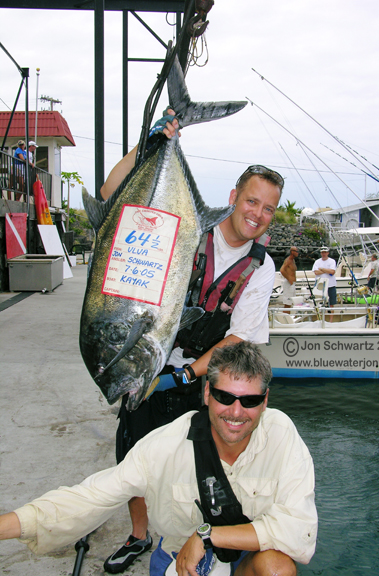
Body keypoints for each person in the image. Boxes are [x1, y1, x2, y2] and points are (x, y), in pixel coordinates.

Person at [100, 110, 284, 573]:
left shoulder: (262, 267)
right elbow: (109, 194)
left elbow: (239, 336)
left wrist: (186, 373)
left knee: (198, 463)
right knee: (134, 453)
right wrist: (150, 146)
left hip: (203, 374)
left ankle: (191, 538)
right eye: (251, 201)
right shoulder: (185, 225)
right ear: (233, 198)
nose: (257, 215)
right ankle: (140, 536)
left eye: (268, 208)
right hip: (149, 357)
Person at [0, 341, 318, 576]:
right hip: (179, 559)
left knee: (277, 568)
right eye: (224, 397)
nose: (236, 412)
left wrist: (208, 535)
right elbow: (92, 497)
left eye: (249, 400)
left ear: (265, 401)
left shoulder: (281, 435)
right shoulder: (164, 445)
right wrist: (9, 525)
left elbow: (299, 532)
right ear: (207, 393)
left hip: (243, 558)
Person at [312, 246, 337, 320]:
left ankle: (330, 320)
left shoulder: (332, 261)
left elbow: (332, 272)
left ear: (328, 253)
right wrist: (327, 270)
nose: (324, 254)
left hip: (331, 285)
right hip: (320, 286)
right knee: (318, 303)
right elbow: (316, 272)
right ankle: (319, 319)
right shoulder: (317, 262)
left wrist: (322, 269)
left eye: (325, 252)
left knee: (331, 304)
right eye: (322, 252)